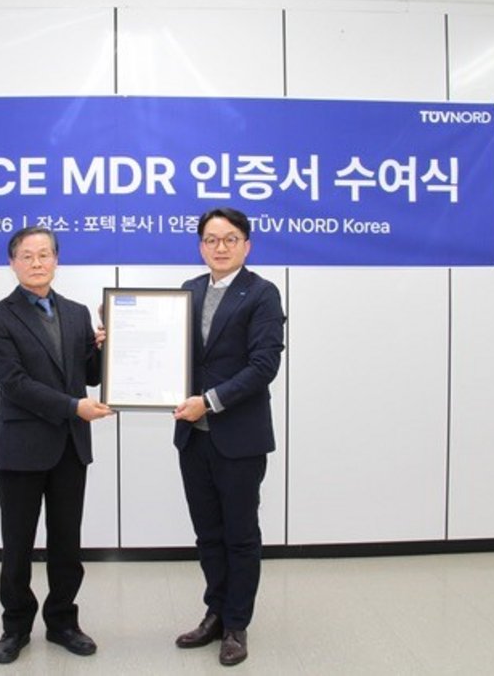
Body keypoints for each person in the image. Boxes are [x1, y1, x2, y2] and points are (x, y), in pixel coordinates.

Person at [0, 226, 114, 665]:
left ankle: (62, 622)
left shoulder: (76, 313)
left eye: (44, 254)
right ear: (12, 263)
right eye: (27, 256)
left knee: (66, 543)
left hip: (70, 448)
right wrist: (74, 407)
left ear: (57, 259)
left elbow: (88, 375)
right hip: (20, 447)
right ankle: (15, 627)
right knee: (17, 544)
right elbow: (14, 383)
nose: (37, 263)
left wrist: (106, 346)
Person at [171, 207, 286, 667]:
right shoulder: (189, 290)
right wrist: (118, 338)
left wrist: (210, 401)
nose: (220, 247)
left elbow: (264, 366)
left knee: (240, 535)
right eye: (211, 240)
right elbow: (170, 353)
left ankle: (237, 624)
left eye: (230, 239)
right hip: (192, 437)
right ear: (201, 246)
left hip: (239, 438)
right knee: (207, 534)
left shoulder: (261, 293)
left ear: (246, 245)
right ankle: (215, 613)